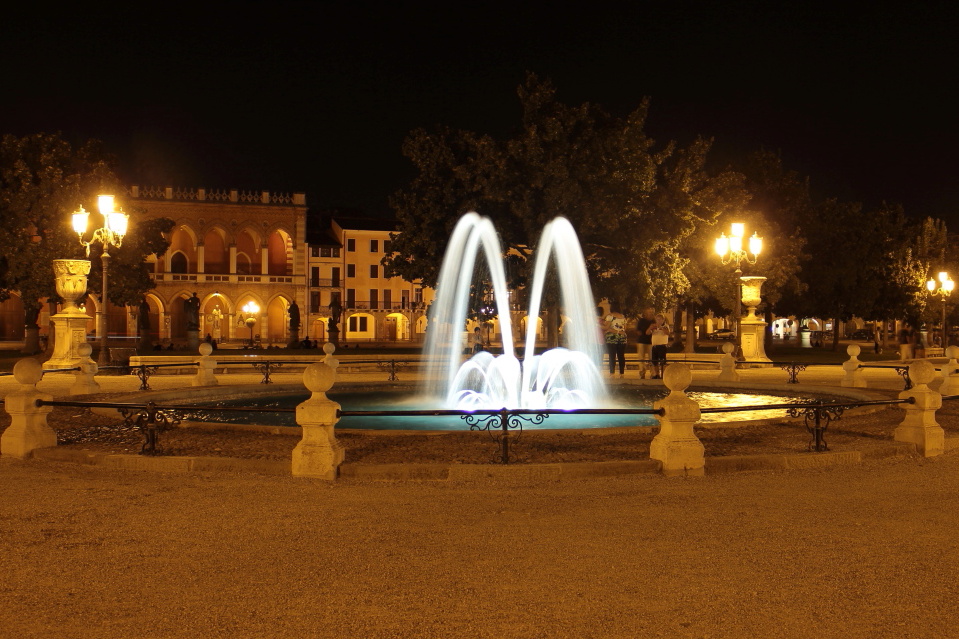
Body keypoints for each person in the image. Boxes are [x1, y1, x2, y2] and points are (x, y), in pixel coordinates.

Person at [603, 304, 628, 377]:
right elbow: (624, 329)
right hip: (622, 338)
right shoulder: (623, 317)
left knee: (612, 355)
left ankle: (612, 373)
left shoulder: (610, 316)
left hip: (612, 338)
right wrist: (619, 331)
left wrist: (608, 329)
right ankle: (622, 373)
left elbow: (606, 327)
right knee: (621, 355)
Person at [648, 313, 671, 379]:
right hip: (654, 346)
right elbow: (647, 333)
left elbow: (668, 333)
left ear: (663, 320)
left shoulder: (666, 326)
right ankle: (656, 374)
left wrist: (660, 327)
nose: (658, 321)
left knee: (662, 361)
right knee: (654, 361)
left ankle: (663, 375)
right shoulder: (653, 326)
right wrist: (650, 328)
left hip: (662, 346)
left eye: (660, 319)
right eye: (657, 319)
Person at [635, 307, 655, 380]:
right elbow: (638, 330)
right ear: (646, 313)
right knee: (641, 358)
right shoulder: (641, 321)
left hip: (650, 342)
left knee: (651, 358)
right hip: (641, 341)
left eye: (652, 312)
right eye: (649, 312)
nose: (651, 314)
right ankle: (642, 373)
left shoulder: (654, 321)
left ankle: (653, 373)